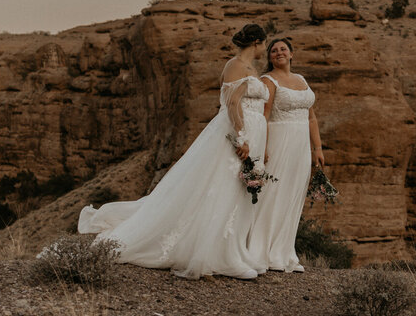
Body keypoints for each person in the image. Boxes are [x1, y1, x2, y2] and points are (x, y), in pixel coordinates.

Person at [74, 23, 272, 279]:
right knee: (222, 188)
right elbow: (232, 103)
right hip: (239, 135)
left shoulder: (251, 69)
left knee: (238, 190)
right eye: (264, 43)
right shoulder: (234, 65)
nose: (264, 48)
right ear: (257, 42)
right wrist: (242, 137)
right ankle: (218, 255)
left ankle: (235, 251)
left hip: (252, 134)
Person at [248, 36, 323, 272]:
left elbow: (311, 117)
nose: (279, 52)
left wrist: (317, 148)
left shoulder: (301, 79)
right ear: (270, 58)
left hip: (300, 146)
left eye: (283, 49)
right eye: (273, 51)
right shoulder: (267, 80)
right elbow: (264, 116)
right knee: (273, 195)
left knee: (293, 195)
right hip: (279, 142)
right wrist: (263, 148)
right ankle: (261, 251)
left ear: (292, 54)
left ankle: (284, 252)